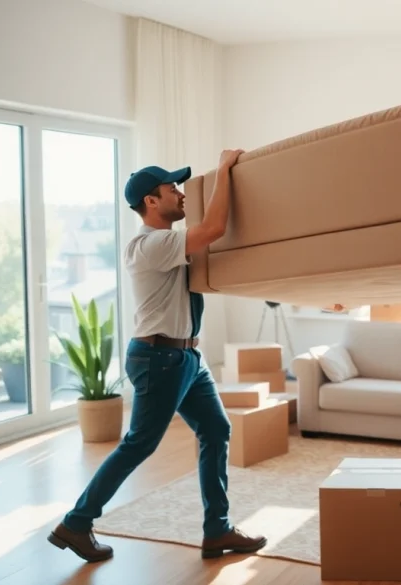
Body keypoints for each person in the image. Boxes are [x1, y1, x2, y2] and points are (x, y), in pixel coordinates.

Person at [48, 150, 269, 562]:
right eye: (173, 188)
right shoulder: (151, 243)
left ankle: (217, 530)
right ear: (151, 201)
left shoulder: (166, 243)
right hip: (159, 358)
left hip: (185, 358)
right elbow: (216, 227)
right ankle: (76, 524)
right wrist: (224, 169)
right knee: (139, 444)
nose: (181, 194)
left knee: (216, 430)